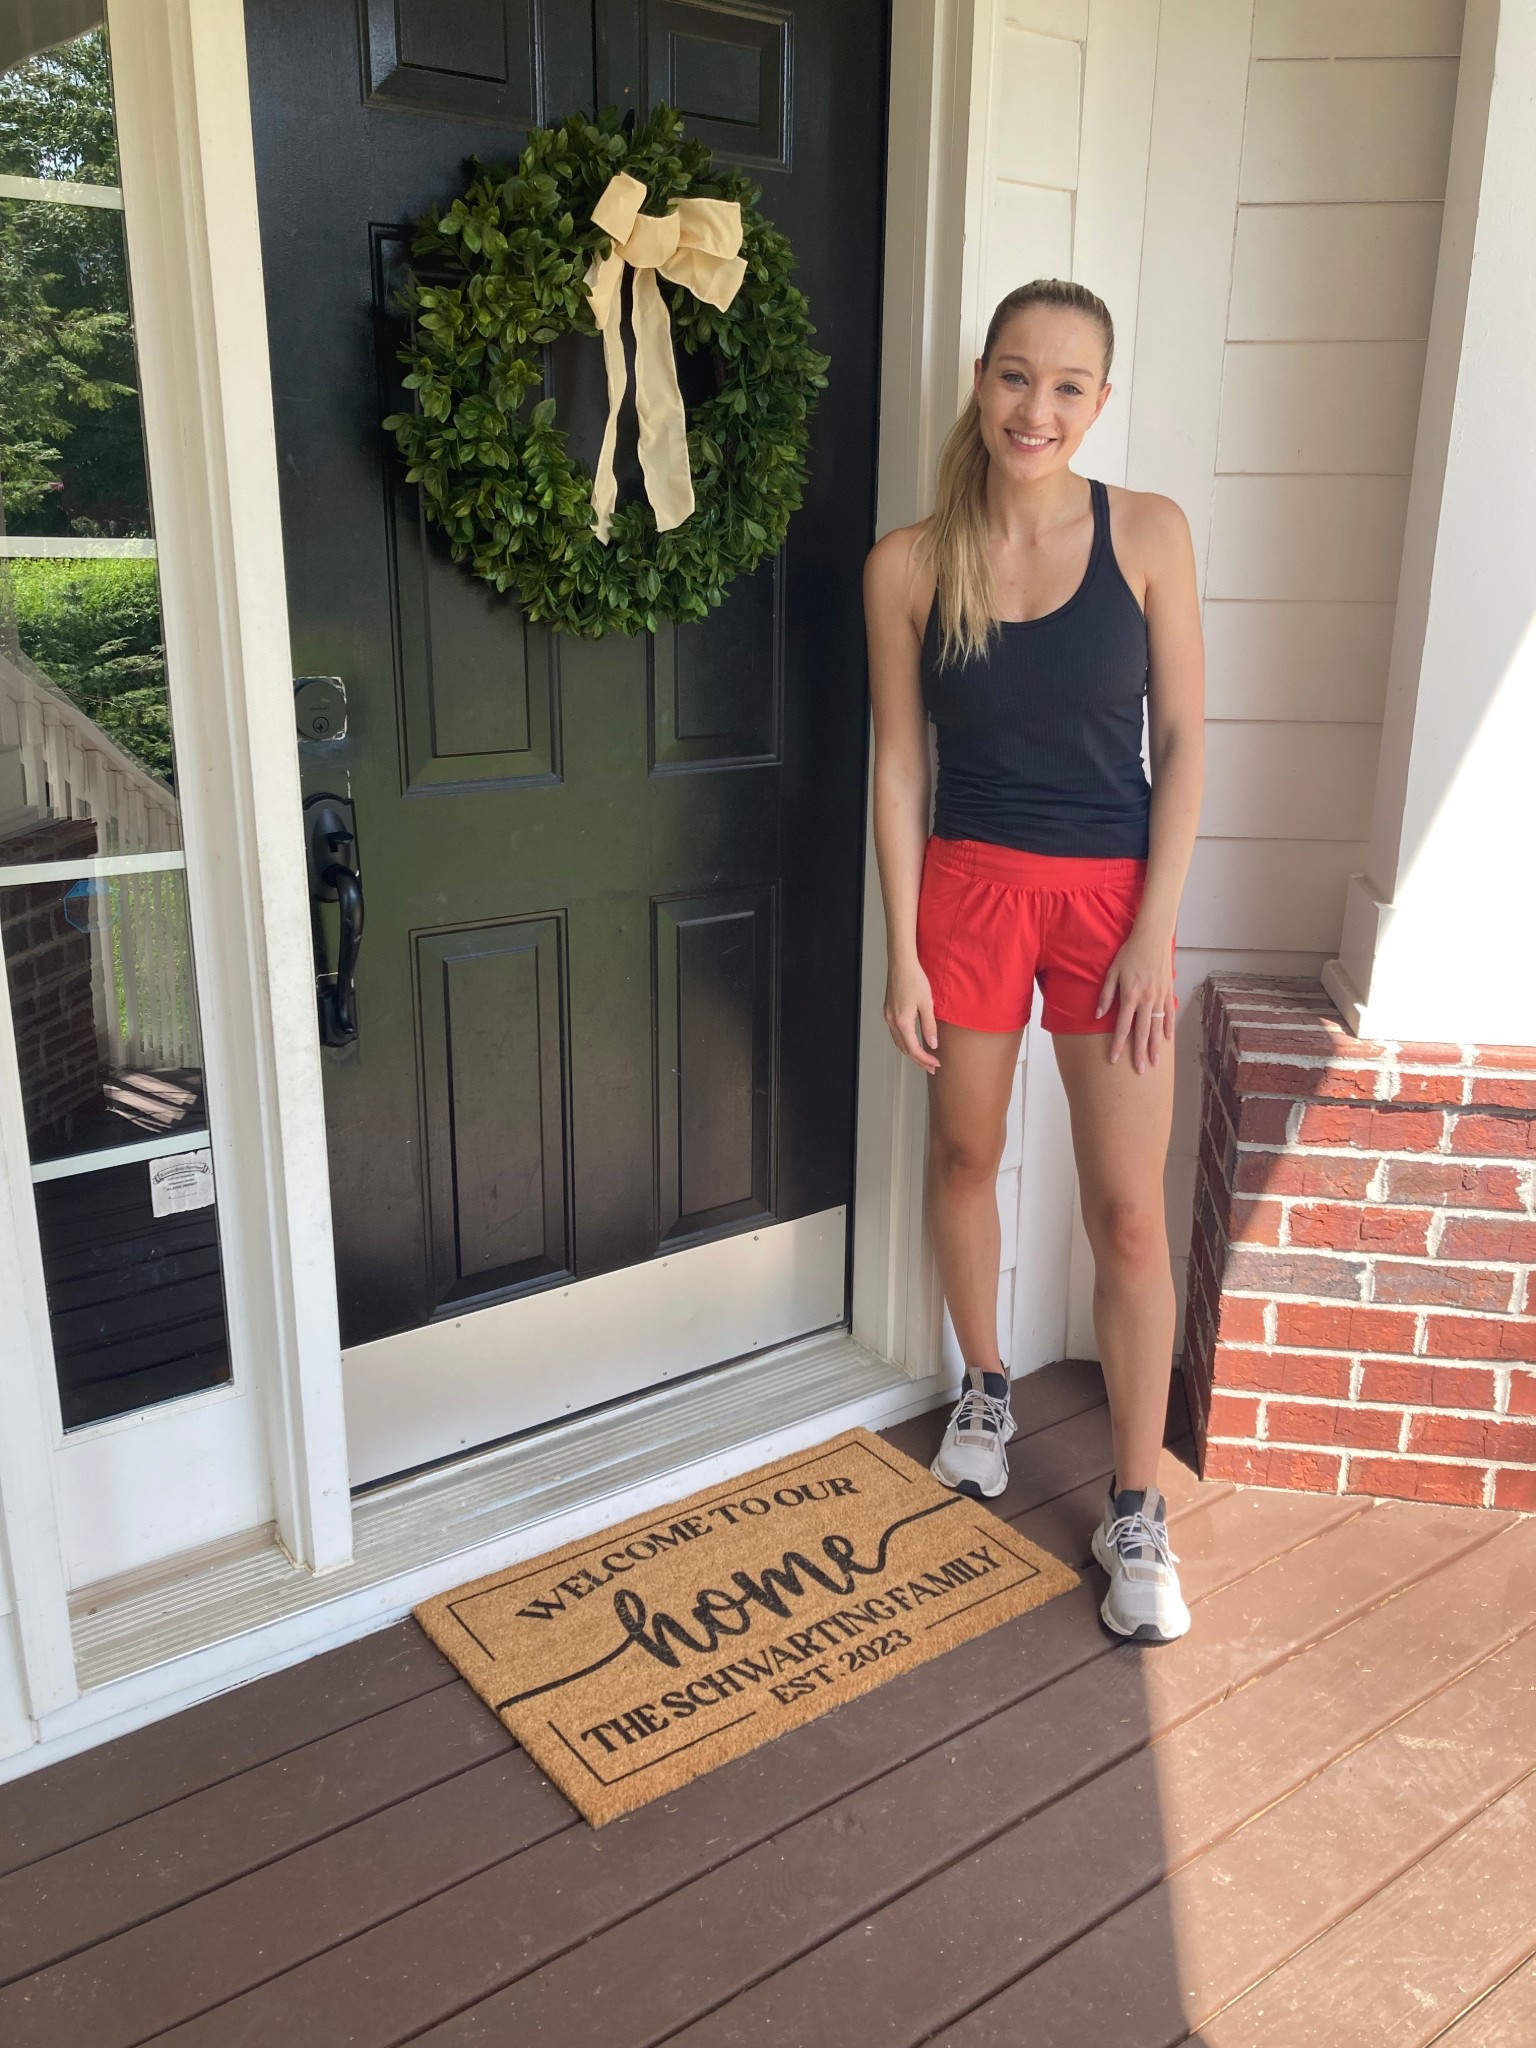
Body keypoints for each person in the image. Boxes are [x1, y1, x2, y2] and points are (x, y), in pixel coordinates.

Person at [862, 279, 1205, 1644]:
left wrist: (1152, 931)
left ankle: (1134, 1508)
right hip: (968, 892)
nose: (1037, 409)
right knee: (963, 1158)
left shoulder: (1152, 536)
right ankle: (987, 1387)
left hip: (1114, 905)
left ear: (1100, 402)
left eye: (1068, 387)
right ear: (983, 383)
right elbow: (902, 761)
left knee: (1126, 1214)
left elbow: (1180, 745)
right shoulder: (908, 563)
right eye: (1016, 377)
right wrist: (904, 949)